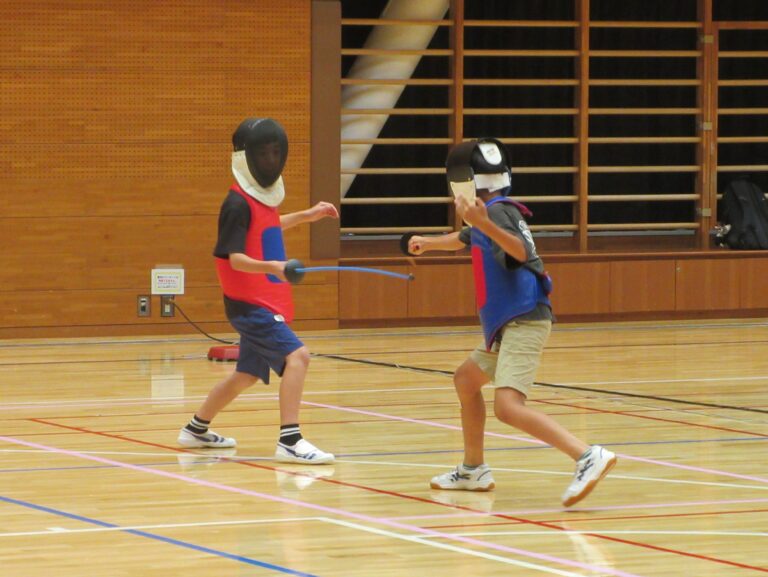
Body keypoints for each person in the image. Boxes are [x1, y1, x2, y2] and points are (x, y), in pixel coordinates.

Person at [408, 138, 616, 506]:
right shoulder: (490, 214)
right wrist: (426, 242)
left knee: (508, 407)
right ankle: (473, 469)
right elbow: (464, 237)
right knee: (466, 380)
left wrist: (482, 223)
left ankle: (587, 455)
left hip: (525, 319)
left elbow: (522, 253)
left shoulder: (500, 213)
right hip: (508, 324)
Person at [178, 117, 337, 465]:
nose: (269, 158)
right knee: (299, 357)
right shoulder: (234, 204)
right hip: (249, 304)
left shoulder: (259, 201)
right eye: (263, 152)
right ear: (246, 156)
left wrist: (306, 216)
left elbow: (267, 225)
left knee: (246, 375)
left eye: (274, 152)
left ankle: (196, 429)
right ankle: (290, 439)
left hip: (258, 299)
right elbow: (234, 259)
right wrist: (273, 267)